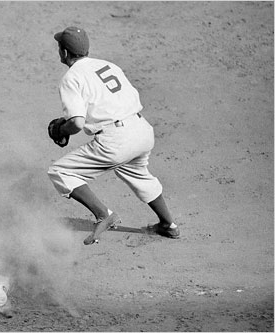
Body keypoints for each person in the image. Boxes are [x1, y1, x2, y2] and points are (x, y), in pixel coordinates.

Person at [46, 26, 180, 245]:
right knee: (139, 174)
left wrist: (61, 129)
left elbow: (77, 123)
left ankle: (103, 214)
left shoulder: (71, 78)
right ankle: (168, 225)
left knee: (60, 172)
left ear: (64, 53)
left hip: (116, 141)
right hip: (142, 130)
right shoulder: (108, 65)